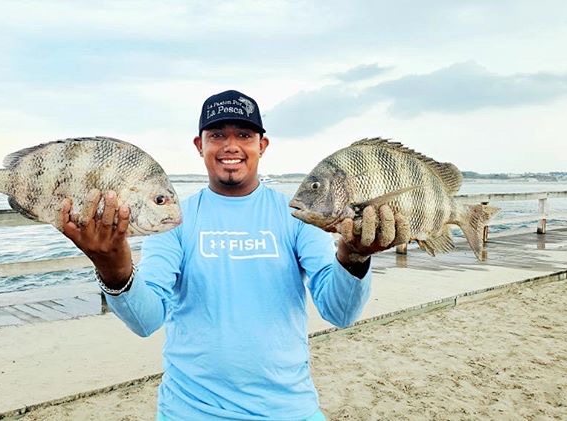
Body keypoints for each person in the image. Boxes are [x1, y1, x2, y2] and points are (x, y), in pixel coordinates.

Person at [60, 90, 408, 420]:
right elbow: (146, 319)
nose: (231, 146)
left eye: (244, 134)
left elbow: (341, 312)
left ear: (262, 145)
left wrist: (354, 256)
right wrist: (113, 268)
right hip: (189, 410)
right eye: (217, 135)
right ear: (200, 145)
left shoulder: (297, 214)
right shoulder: (175, 219)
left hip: (288, 409)